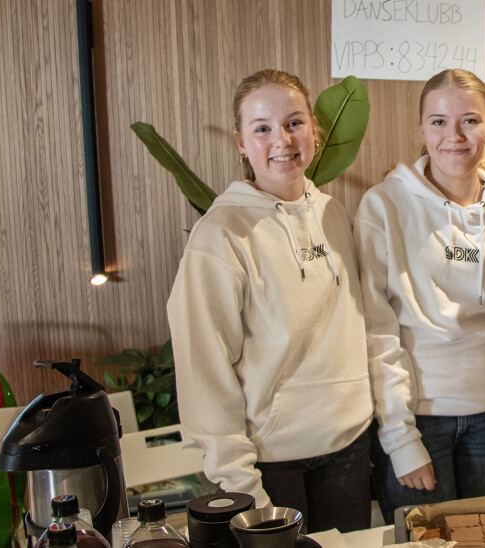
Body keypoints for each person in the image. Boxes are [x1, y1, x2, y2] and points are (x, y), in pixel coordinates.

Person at [167, 69, 373, 533]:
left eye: (294, 122)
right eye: (261, 128)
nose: (282, 139)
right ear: (241, 142)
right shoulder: (220, 235)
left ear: (315, 133)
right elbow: (205, 367)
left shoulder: (334, 214)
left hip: (350, 447)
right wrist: (240, 482)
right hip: (272, 464)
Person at [354, 69, 485, 522]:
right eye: (438, 122)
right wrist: (399, 437)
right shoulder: (383, 206)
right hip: (421, 417)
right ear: (420, 129)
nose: (454, 136)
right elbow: (378, 332)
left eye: (470, 121)